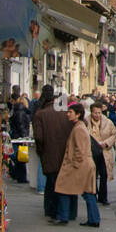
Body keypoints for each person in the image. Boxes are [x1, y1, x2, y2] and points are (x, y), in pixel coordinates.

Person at [32, 85, 74, 221]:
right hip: (65, 154)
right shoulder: (66, 113)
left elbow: (38, 137)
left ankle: (53, 211)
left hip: (49, 154)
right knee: (64, 184)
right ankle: (68, 212)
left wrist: (40, 150)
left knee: (51, 184)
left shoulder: (40, 114)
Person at [53, 103, 99, 227]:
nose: (68, 114)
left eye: (70, 112)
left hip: (80, 165)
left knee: (63, 187)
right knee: (88, 192)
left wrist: (74, 164)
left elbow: (81, 150)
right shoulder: (80, 127)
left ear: (78, 115)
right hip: (85, 164)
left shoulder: (79, 129)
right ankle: (94, 219)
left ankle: (63, 216)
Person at [88, 102, 116, 205]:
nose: (97, 115)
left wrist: (107, 143)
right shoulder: (86, 122)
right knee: (92, 175)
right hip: (91, 152)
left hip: (104, 151)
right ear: (91, 112)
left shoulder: (108, 122)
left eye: (99, 113)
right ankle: (93, 194)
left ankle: (103, 197)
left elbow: (114, 134)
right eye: (95, 113)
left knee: (104, 175)